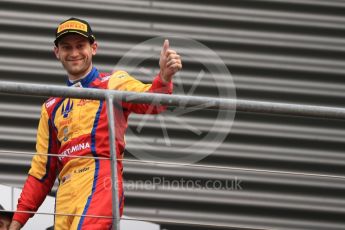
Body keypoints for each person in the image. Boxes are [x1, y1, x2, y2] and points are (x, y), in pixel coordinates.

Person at [9, 17, 182, 230]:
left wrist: (164, 78)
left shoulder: (114, 83)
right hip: (65, 195)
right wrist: (16, 223)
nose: (74, 53)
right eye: (66, 47)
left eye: (80, 46)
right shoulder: (50, 107)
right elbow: (41, 173)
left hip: (100, 182)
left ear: (94, 48)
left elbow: (150, 102)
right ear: (57, 53)